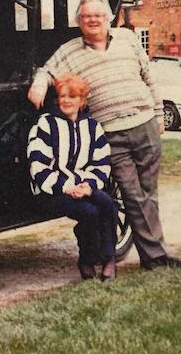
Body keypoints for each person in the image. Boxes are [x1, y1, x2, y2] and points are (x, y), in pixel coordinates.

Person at [27, 0, 181, 270]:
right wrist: (39, 85)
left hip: (145, 123)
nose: (93, 20)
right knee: (132, 194)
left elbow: (149, 78)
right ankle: (156, 256)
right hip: (112, 133)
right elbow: (47, 71)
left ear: (109, 17)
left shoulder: (128, 39)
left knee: (149, 192)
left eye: (98, 15)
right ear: (79, 21)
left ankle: (154, 255)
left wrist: (159, 114)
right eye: (86, 16)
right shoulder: (70, 51)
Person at [27, 74, 117, 281]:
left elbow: (102, 162)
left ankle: (109, 258)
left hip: (83, 185)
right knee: (89, 212)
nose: (66, 100)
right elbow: (38, 165)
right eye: (63, 96)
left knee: (107, 203)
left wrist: (89, 186)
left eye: (73, 96)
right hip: (51, 190)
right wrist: (66, 187)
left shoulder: (93, 126)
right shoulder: (46, 124)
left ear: (82, 101)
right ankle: (87, 260)